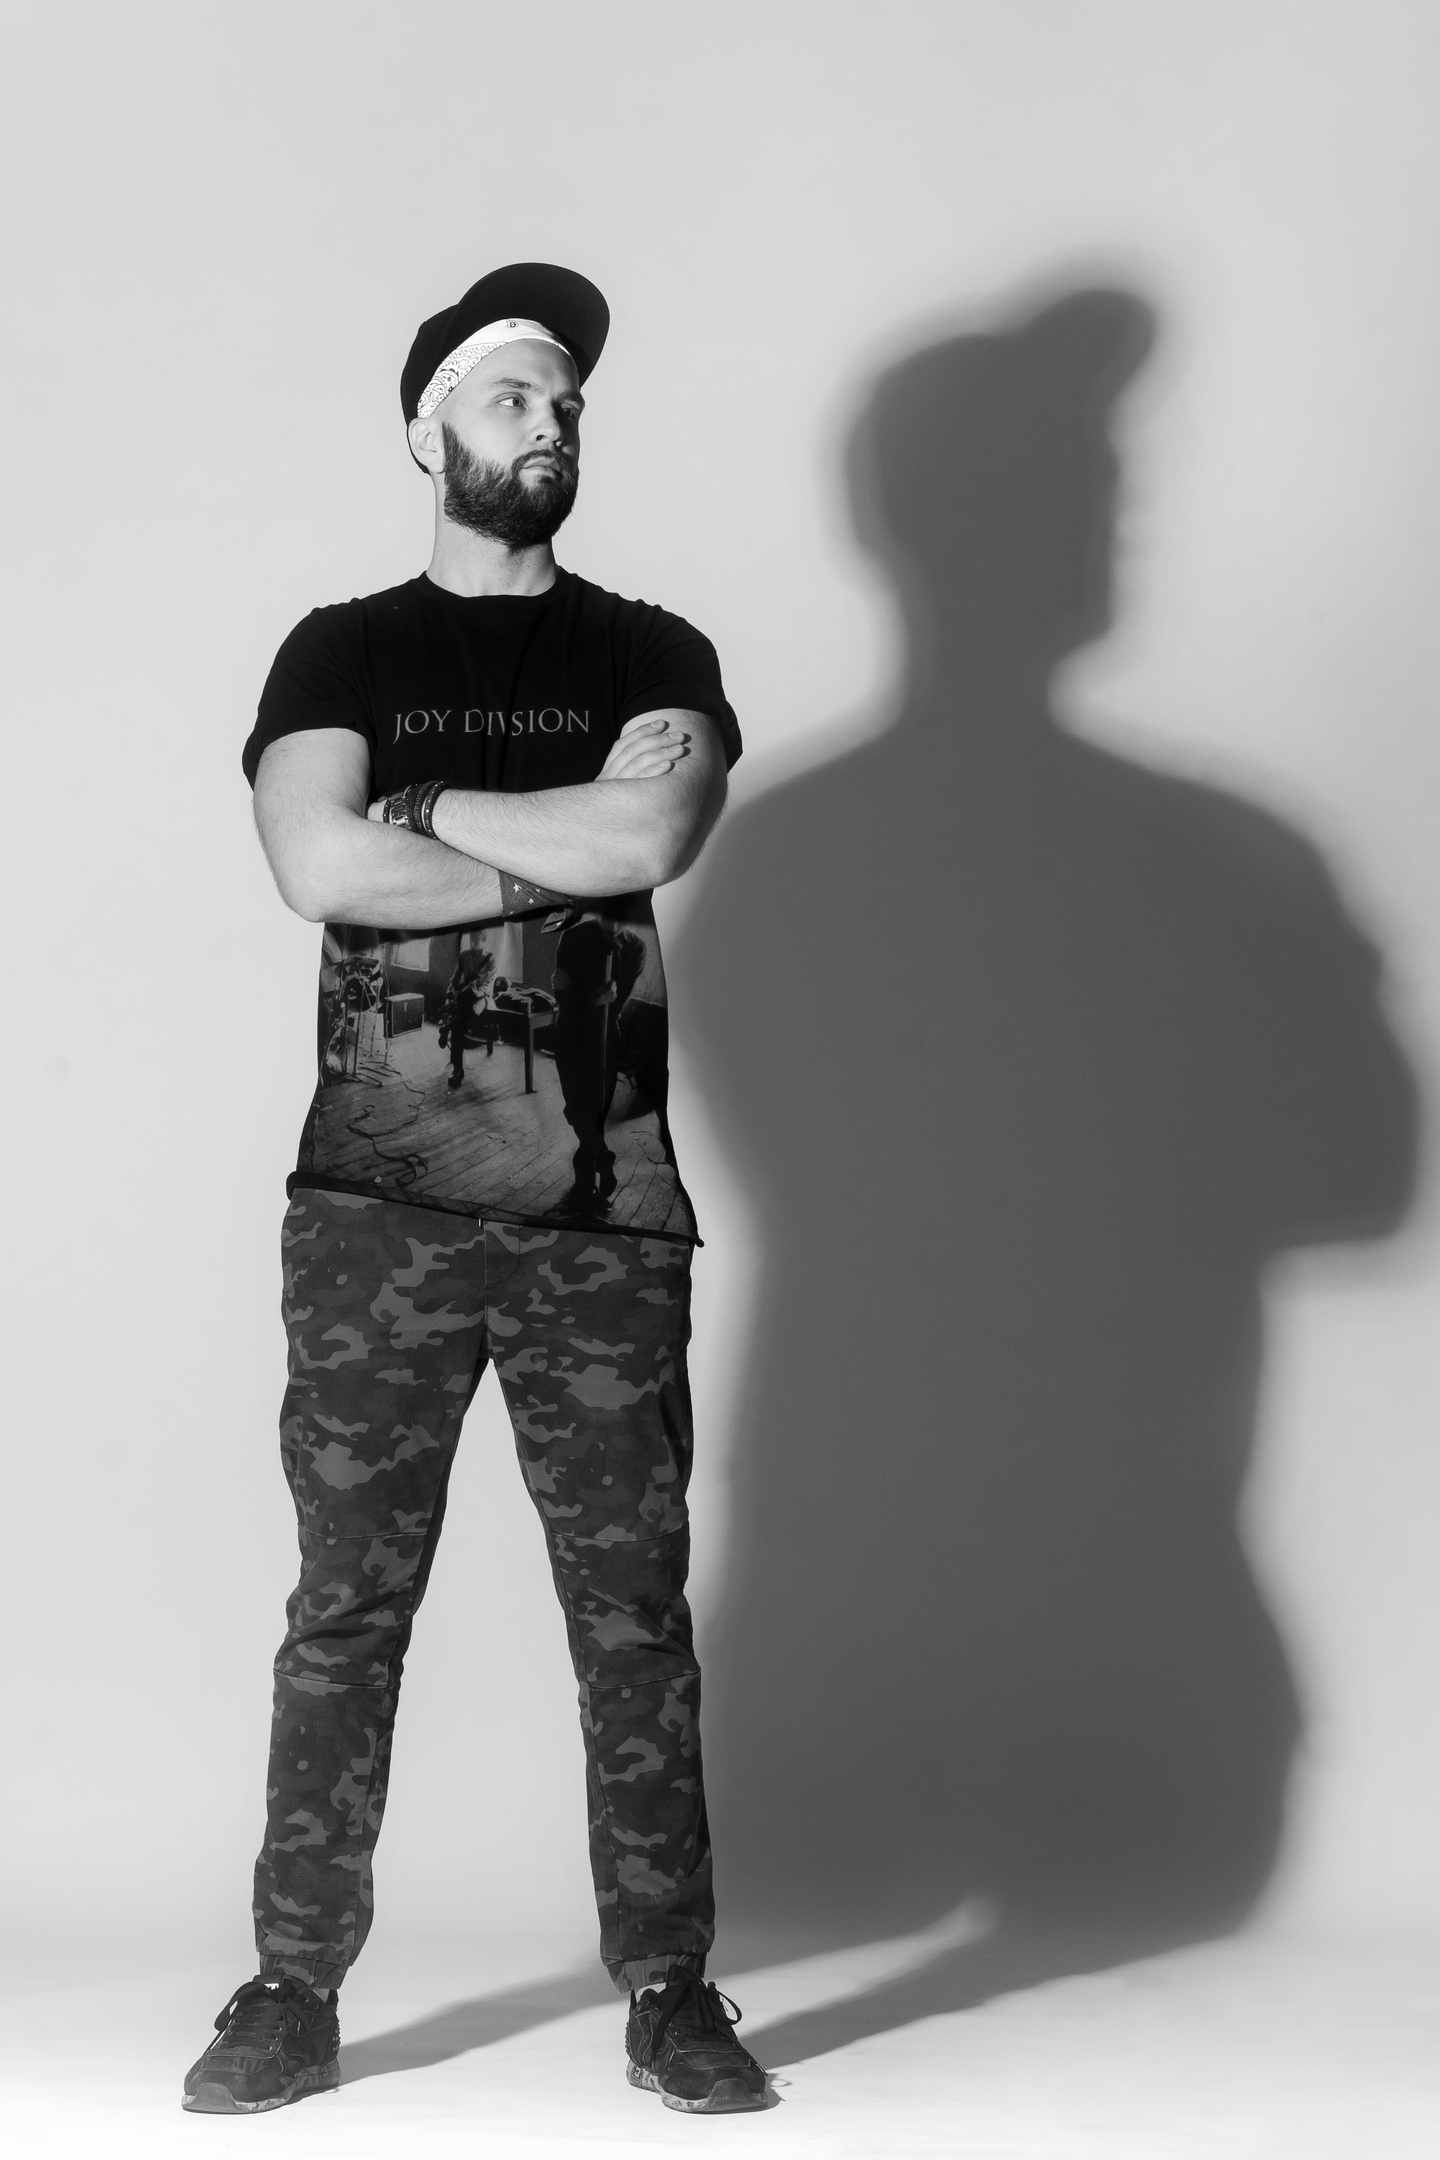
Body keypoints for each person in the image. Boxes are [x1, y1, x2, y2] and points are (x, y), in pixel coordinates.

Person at [183, 263, 766, 2118]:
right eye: (512, 395)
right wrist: (544, 839)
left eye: (568, 400)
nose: (549, 422)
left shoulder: (651, 653)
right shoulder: (340, 655)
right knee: (345, 1609)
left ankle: (671, 1988)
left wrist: (422, 819)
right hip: (379, 1213)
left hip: (608, 1215)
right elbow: (314, 868)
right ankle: (290, 1986)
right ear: (426, 428)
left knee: (633, 1614)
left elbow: (653, 826)